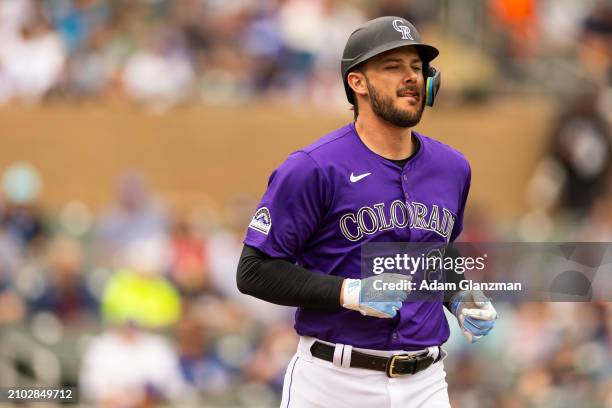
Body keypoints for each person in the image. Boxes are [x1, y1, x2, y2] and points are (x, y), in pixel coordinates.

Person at [237, 16, 497, 407]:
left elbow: (436, 252)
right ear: (357, 82)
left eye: (416, 67)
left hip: (425, 382)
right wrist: (348, 291)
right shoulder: (314, 167)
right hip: (333, 380)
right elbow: (254, 270)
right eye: (392, 67)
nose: (409, 77)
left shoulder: (452, 167)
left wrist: (460, 294)